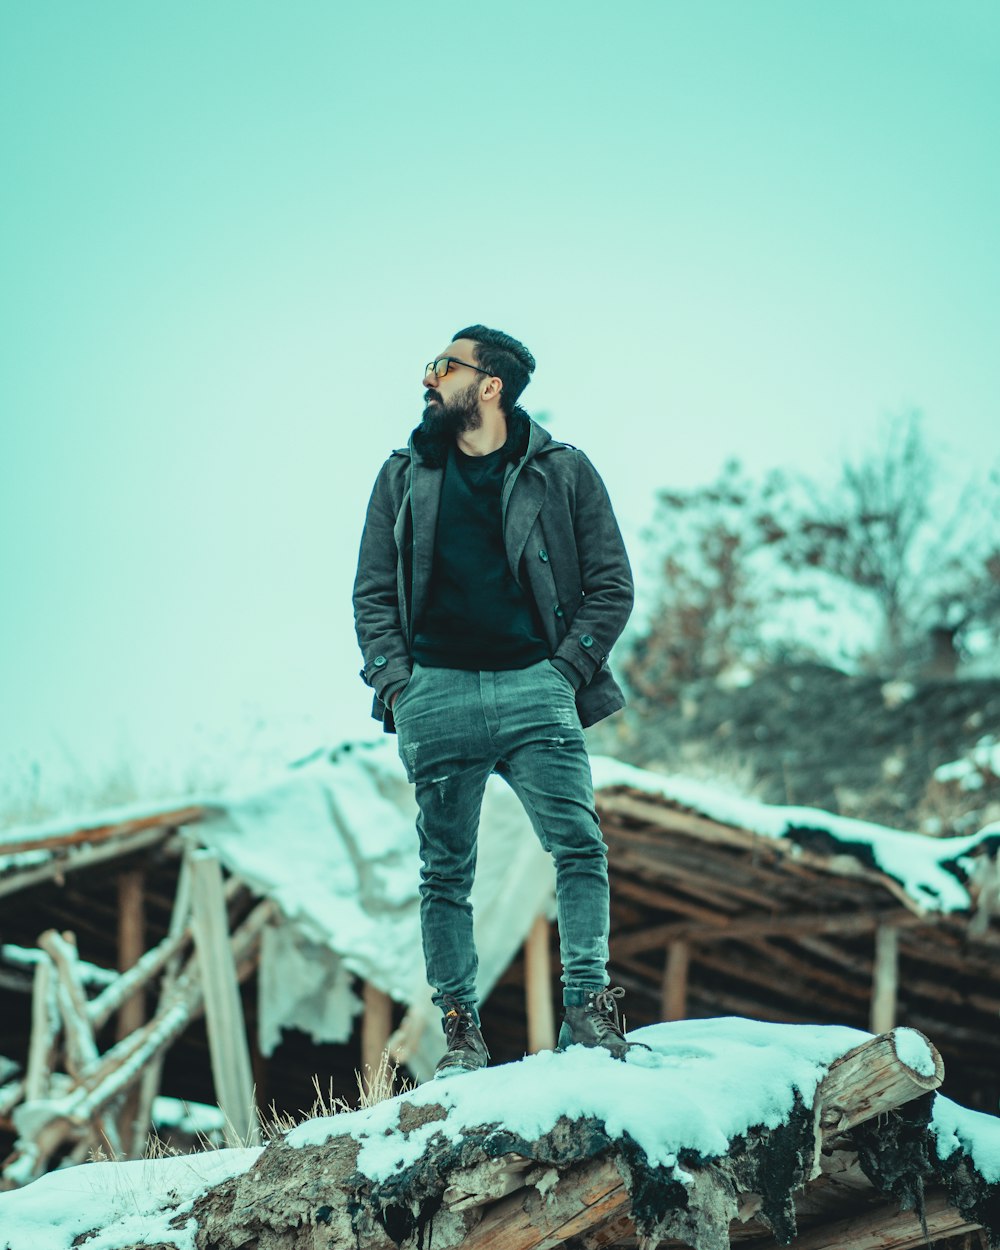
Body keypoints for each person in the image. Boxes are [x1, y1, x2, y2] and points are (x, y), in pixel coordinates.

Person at [353, 324, 640, 1076]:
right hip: (435, 695)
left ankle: (588, 1012)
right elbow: (373, 593)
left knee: (579, 849)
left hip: (535, 690)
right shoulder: (401, 476)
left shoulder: (563, 471)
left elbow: (613, 585)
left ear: (490, 386)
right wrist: (398, 686)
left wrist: (564, 674)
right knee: (444, 873)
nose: (428, 379)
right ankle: (460, 1037)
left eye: (443, 366)